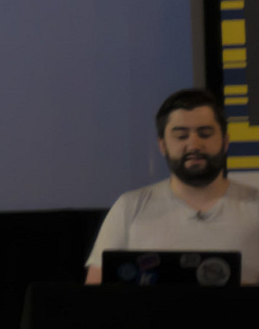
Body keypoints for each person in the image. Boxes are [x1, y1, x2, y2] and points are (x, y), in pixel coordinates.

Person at [85, 88, 259, 284]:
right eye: (181, 136)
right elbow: (95, 291)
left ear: (225, 141)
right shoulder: (130, 207)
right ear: (163, 146)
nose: (194, 145)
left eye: (205, 134)